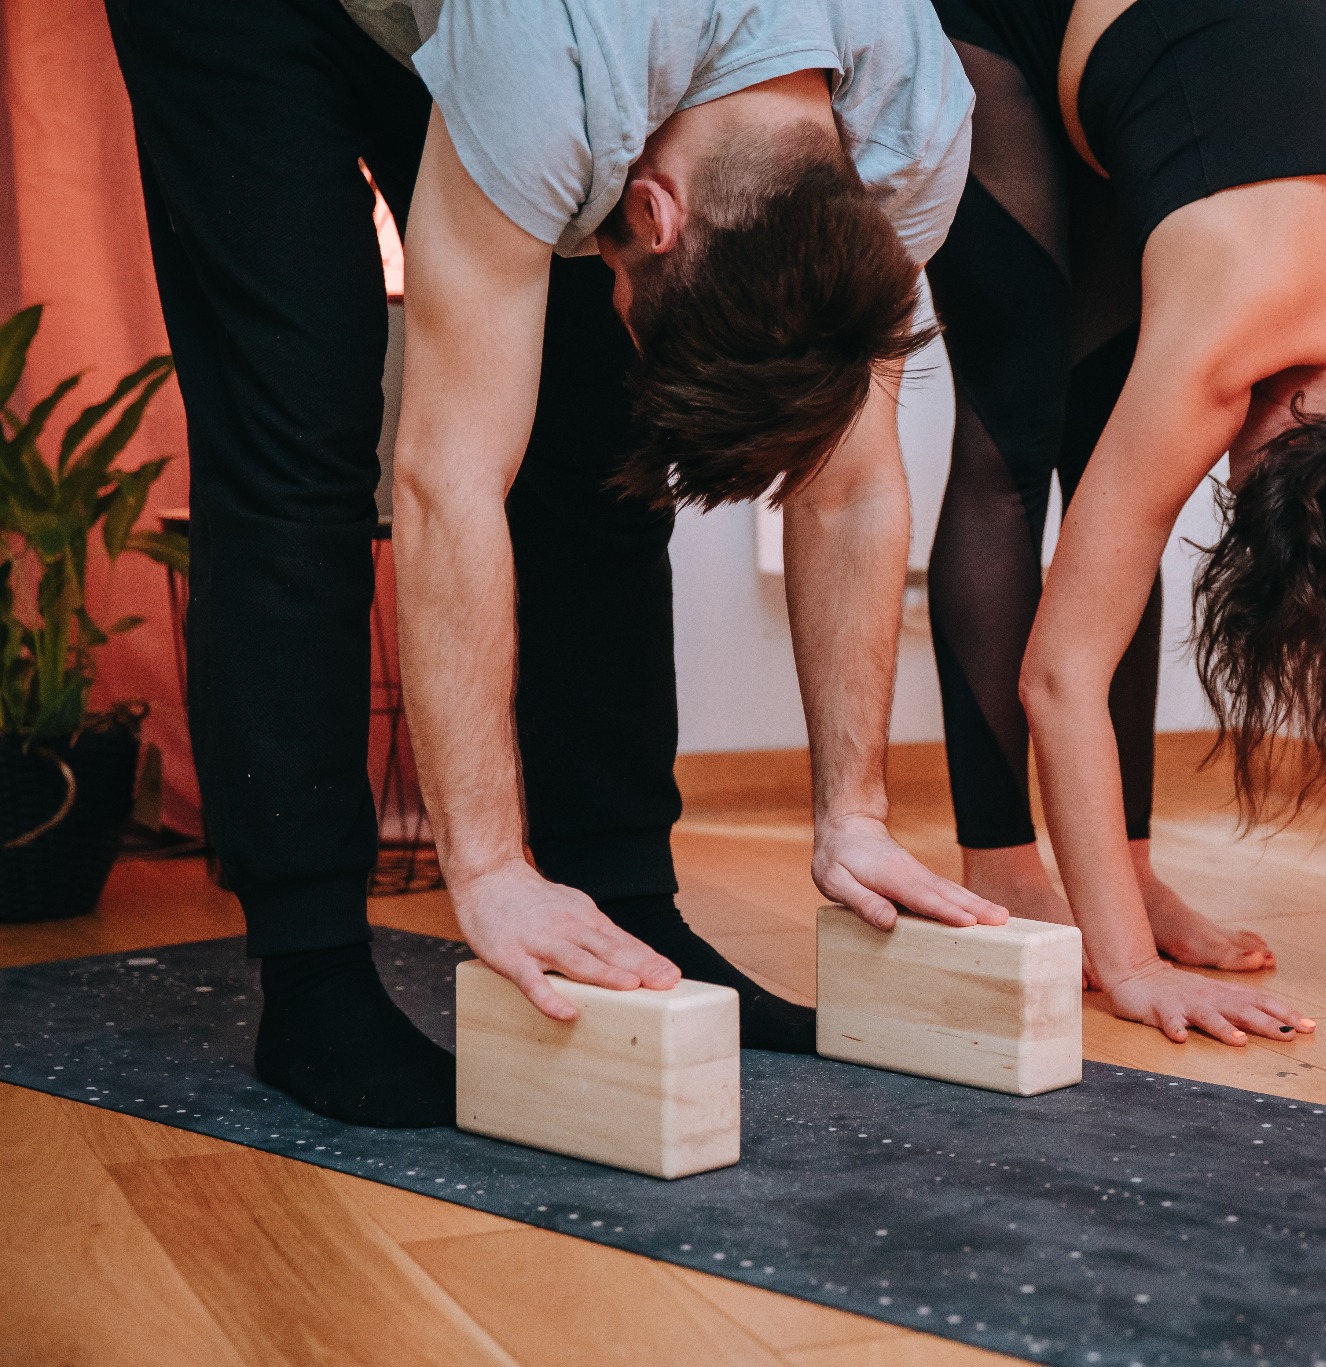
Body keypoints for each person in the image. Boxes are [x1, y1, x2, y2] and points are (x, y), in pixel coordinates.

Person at [104, 0, 996, 1130]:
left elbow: (852, 480)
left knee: (598, 436)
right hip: (255, 22)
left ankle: (627, 899)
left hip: (543, 41)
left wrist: (853, 811)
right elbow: (448, 479)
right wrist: (485, 872)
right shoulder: (547, 57)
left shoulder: (912, 126)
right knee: (298, 444)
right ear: (653, 212)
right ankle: (312, 971)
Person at [923, 0, 1326, 1046]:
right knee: (1012, 434)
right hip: (1014, 20)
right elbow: (1059, 675)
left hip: (1167, 87)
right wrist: (1132, 976)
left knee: (1108, 463)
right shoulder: (1223, 339)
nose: (1219, 479)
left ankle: (1126, 877)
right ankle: (1003, 866)